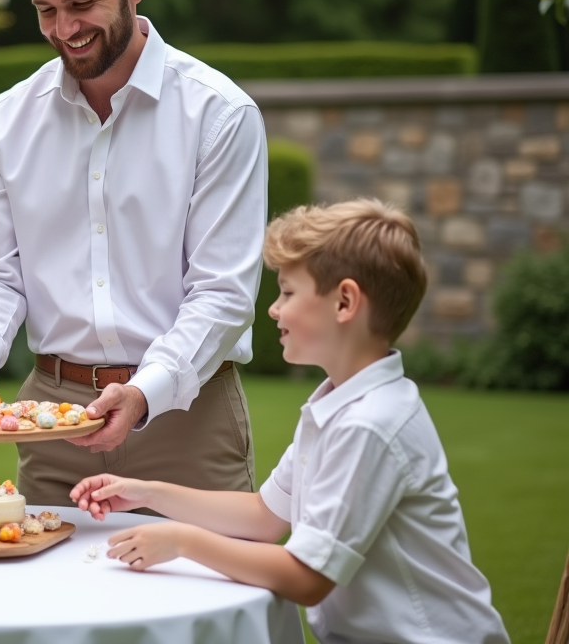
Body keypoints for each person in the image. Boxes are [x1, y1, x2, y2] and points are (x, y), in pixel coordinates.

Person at [0, 0, 267, 505]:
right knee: (47, 599)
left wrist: (145, 392)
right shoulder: (8, 119)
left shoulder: (220, 114)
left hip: (186, 420)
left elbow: (221, 294)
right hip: (52, 426)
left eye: (82, 4)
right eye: (46, 10)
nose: (64, 29)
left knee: (213, 598)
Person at [70, 199, 510, 644]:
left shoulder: (370, 424)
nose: (274, 309)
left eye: (288, 292)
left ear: (344, 302)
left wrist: (183, 542)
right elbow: (264, 516)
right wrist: (144, 492)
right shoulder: (337, 402)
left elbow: (308, 576)